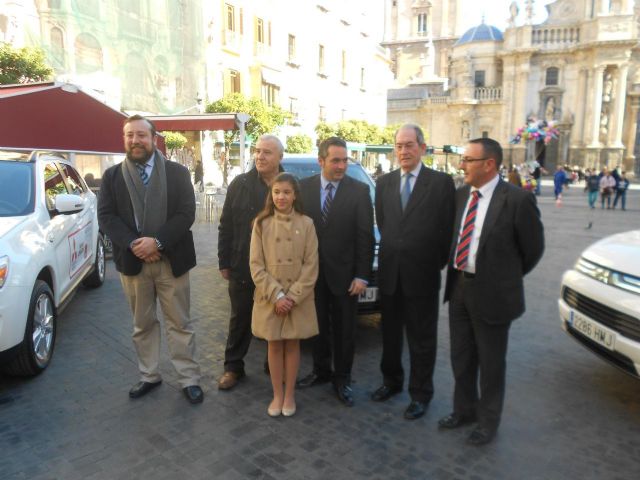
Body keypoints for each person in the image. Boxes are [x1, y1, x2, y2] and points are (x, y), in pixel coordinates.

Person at [438, 137, 544, 446]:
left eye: (468, 160)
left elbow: (533, 249)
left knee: (491, 363)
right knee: (461, 357)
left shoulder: (517, 200)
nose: (462, 164)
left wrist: (505, 277)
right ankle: (464, 410)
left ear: (489, 165)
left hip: (494, 296)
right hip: (459, 289)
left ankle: (488, 422)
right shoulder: (460, 196)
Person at [98, 115, 203, 404]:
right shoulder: (112, 176)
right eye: (129, 135)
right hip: (133, 263)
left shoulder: (177, 173)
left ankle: (189, 379)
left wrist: (157, 242)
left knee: (180, 323)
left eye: (141, 135)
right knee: (142, 323)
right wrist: (135, 244)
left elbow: (186, 213)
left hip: (172, 260)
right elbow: (106, 217)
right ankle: (149, 375)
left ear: (153, 138)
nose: (135, 141)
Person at [371, 124, 455, 420]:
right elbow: (384, 224)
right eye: (399, 145)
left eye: (409, 145)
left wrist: (433, 260)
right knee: (391, 335)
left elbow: (448, 231)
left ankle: (421, 394)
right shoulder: (384, 183)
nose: (403, 151)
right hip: (391, 274)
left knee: (422, 339)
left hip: (423, 275)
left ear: (422, 147)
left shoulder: (442, 183)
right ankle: (391, 383)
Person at [296, 137, 374, 407]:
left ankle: (342, 379)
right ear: (321, 161)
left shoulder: (360, 191)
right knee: (316, 328)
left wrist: (362, 275)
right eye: (335, 160)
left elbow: (365, 237)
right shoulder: (302, 189)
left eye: (345, 160)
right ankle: (320, 371)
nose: (341, 166)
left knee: (345, 331)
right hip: (312, 276)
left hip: (346, 277)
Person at [217, 135, 284, 390]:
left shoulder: (291, 185)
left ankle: (274, 366)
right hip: (243, 265)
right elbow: (225, 226)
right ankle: (233, 368)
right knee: (240, 318)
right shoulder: (240, 184)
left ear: (280, 157)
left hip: (278, 268)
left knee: (276, 318)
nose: (260, 156)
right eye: (257, 151)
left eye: (267, 152)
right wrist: (225, 261)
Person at [250, 173, 319, 417]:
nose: (281, 197)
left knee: (292, 345)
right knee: (274, 346)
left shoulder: (307, 224)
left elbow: (311, 266)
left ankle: (289, 395)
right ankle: (276, 395)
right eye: (277, 192)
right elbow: (256, 266)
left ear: (295, 195)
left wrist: (292, 296)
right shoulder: (261, 224)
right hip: (270, 297)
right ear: (271, 194)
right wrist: (277, 295)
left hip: (297, 299)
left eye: (286, 192)